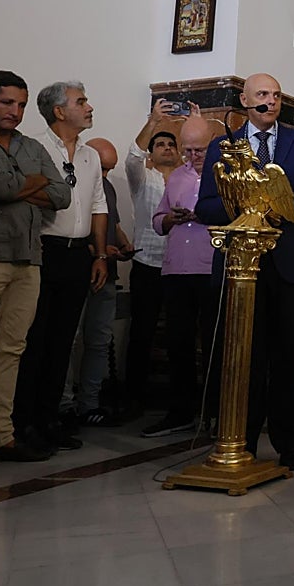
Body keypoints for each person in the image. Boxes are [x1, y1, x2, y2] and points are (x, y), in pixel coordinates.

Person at [196, 74, 294, 471]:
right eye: (262, 95)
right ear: (244, 100)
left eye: (276, 95)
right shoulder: (224, 146)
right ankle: (242, 439)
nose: (270, 101)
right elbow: (205, 205)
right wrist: (248, 208)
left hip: (290, 263)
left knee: (288, 356)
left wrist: (276, 205)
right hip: (242, 267)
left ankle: (291, 443)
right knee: (244, 355)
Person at [0, 71, 71, 464]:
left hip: (28, 258)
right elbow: (0, 189)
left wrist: (16, 184)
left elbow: (62, 194)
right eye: (6, 102)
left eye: (22, 105)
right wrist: (27, 185)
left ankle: (0, 436)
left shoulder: (31, 145)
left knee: (10, 350)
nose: (16, 111)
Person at [12, 81, 108, 455]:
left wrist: (99, 255)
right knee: (34, 340)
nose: (88, 107)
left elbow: (98, 204)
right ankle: (25, 423)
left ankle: (51, 420)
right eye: (81, 101)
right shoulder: (33, 146)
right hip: (43, 250)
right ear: (58, 111)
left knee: (63, 341)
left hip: (77, 254)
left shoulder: (90, 155)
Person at [142, 116, 222, 438]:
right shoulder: (176, 176)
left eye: (199, 150)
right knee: (178, 344)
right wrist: (170, 219)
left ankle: (216, 413)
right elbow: (158, 219)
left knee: (215, 344)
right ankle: (180, 412)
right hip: (176, 268)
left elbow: (237, 215)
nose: (192, 157)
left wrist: (203, 214)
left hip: (211, 267)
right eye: (187, 150)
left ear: (213, 143)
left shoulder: (224, 175)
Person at [64, 137, 133, 425]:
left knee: (99, 340)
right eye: (103, 169)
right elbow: (72, 227)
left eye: (109, 170)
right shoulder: (74, 180)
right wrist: (98, 252)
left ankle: (89, 404)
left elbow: (112, 223)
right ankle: (64, 403)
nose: (105, 175)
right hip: (80, 269)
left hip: (107, 273)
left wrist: (125, 244)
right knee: (68, 339)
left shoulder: (108, 187)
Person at [123, 102, 181, 420]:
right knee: (141, 333)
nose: (166, 148)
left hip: (179, 267)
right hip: (147, 263)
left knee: (178, 335)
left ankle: (178, 401)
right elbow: (132, 156)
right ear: (151, 153)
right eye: (160, 144)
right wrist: (153, 122)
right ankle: (134, 397)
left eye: (171, 143)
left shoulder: (188, 180)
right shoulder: (143, 179)